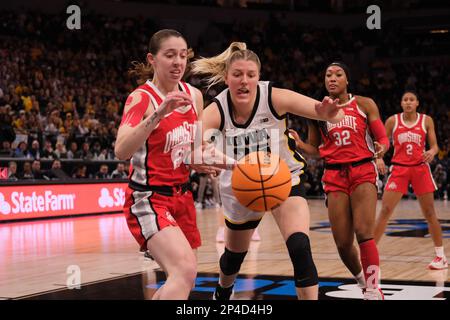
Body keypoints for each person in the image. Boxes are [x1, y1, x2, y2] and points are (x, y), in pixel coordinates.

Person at [191, 43, 346, 300]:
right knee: (232, 259)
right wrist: (207, 155)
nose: (244, 81)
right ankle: (223, 291)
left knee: (300, 247)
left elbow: (321, 110)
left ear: (258, 77)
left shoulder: (273, 96)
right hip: (242, 186)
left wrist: (327, 113)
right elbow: (194, 146)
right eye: (237, 74)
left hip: (283, 177)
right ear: (227, 78)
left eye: (251, 75)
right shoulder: (217, 109)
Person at [114, 29, 211, 300]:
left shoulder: (194, 95)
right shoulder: (141, 98)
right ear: (152, 59)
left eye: (182, 55)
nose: (178, 62)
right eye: (170, 55)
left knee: (184, 279)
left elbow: (195, 152)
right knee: (184, 270)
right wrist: (159, 113)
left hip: (182, 197)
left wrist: (224, 163)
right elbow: (121, 150)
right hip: (148, 198)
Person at [289, 62, 389, 300]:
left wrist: (382, 148)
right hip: (333, 174)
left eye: (338, 74)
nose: (332, 78)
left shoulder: (364, 104)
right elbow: (315, 149)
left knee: (364, 233)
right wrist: (298, 143)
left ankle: (374, 290)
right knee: (343, 244)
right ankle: (363, 282)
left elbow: (383, 137)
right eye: (328, 75)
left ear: (347, 80)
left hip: (362, 169)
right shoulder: (317, 111)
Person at [374, 91, 447, 270]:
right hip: (399, 168)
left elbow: (435, 145)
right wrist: (379, 157)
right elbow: (383, 142)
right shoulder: (392, 120)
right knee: (385, 211)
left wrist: (431, 152)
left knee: (430, 213)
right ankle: (370, 253)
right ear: (401, 103)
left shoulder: (426, 120)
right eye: (405, 99)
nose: (408, 102)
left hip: (420, 168)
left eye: (411, 100)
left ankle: (441, 257)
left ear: (417, 103)